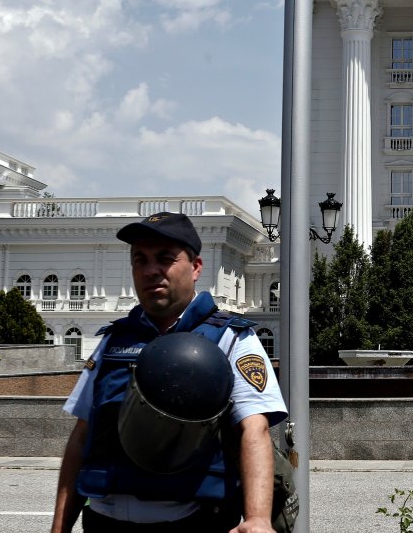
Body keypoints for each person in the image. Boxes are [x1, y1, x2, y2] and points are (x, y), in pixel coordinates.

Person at [50, 212, 286, 533]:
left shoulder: (232, 338)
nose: (151, 271)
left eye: (165, 259)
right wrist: (59, 528)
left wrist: (257, 518)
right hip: (104, 521)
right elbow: (82, 436)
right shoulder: (113, 341)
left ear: (196, 267)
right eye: (140, 260)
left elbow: (254, 429)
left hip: (194, 521)